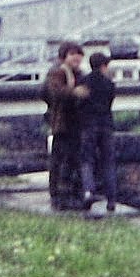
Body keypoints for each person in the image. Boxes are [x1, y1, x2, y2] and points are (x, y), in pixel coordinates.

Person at [42, 41, 89, 210]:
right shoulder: (57, 73)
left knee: (75, 160)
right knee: (60, 160)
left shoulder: (80, 74)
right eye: (72, 54)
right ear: (64, 57)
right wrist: (74, 92)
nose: (76, 57)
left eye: (79, 54)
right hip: (63, 123)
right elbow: (53, 91)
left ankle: (75, 195)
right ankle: (59, 197)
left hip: (77, 123)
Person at [78, 52, 117, 213]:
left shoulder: (84, 82)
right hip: (106, 125)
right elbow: (110, 102)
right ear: (103, 66)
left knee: (87, 160)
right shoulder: (110, 84)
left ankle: (89, 191)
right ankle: (111, 199)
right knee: (108, 161)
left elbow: (79, 102)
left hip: (88, 125)